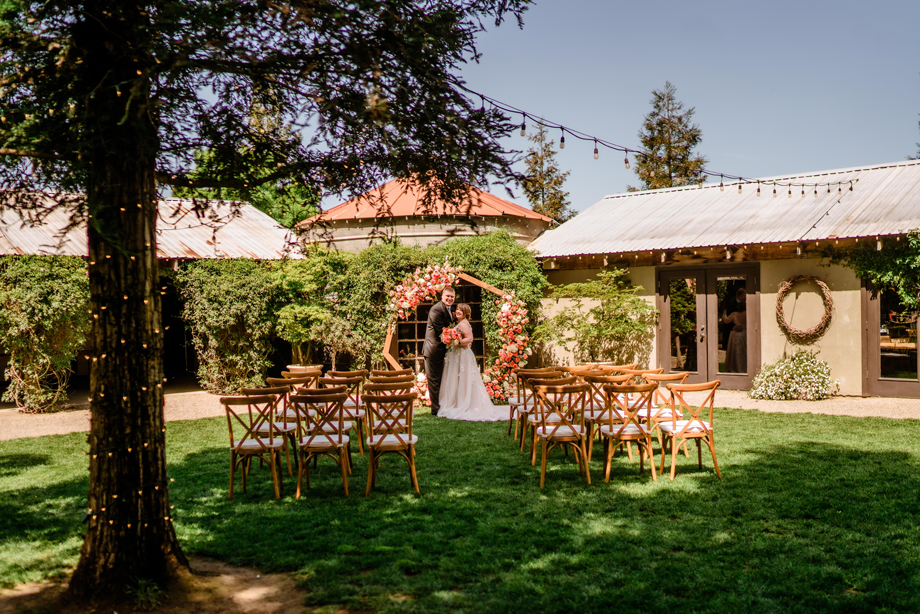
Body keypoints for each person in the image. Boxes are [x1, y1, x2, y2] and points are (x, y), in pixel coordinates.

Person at [438, 303, 506, 422]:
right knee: (458, 378)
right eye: (457, 309)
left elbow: (470, 339)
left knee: (464, 378)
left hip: (463, 355)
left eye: (461, 310)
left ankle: (465, 403)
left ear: (465, 313)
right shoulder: (460, 323)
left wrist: (456, 342)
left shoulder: (463, 324)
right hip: (457, 354)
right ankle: (458, 402)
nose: (458, 311)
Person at [422, 286, 455, 416]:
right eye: (447, 296)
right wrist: (456, 338)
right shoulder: (436, 309)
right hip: (433, 350)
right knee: (434, 380)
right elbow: (441, 331)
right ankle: (435, 409)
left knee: (441, 379)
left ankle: (442, 405)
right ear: (442, 297)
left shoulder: (450, 309)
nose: (449, 299)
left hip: (442, 351)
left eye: (452, 297)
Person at [721, 288, 747, 373]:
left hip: (738, 334)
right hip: (742, 333)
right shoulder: (745, 312)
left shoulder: (736, 313)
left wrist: (724, 313)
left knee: (738, 352)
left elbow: (726, 320)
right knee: (739, 352)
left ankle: (738, 368)